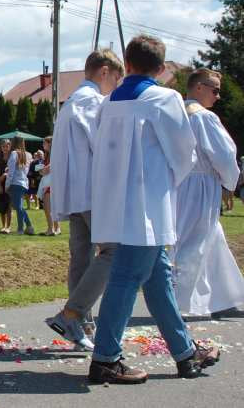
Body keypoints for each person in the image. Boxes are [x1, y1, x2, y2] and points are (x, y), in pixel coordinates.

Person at [88, 35, 219, 384]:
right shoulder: (165, 98)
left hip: (114, 202)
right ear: (161, 69)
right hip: (147, 205)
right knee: (127, 277)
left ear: (126, 64)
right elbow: (184, 154)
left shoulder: (108, 101)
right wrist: (167, 183)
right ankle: (105, 358)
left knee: (158, 279)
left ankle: (184, 353)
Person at [45, 49, 123, 349]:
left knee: (81, 256)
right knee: (113, 252)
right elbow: (102, 145)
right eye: (116, 78)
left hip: (73, 191)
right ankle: (73, 314)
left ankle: (81, 324)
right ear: (104, 72)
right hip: (93, 190)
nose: (115, 86)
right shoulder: (93, 101)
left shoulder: (70, 104)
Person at [172, 68, 244, 317]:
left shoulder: (176, 113)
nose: (218, 96)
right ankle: (180, 303)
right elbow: (223, 154)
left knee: (213, 240)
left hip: (178, 184)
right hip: (201, 185)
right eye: (215, 90)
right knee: (195, 242)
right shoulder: (204, 117)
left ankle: (225, 298)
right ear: (199, 87)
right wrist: (231, 180)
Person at [6, 136, 33, 235]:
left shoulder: (14, 153)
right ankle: (26, 227)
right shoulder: (28, 154)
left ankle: (23, 228)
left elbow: (11, 171)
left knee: (18, 207)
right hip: (23, 182)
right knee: (19, 206)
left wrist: (7, 184)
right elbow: (25, 171)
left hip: (15, 182)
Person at [37, 137, 58, 236]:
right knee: (53, 207)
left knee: (47, 206)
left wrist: (42, 170)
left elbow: (47, 169)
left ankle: (51, 229)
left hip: (50, 183)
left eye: (44, 143)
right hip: (51, 182)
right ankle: (56, 228)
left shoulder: (53, 154)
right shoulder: (48, 155)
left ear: (50, 143)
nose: (43, 145)